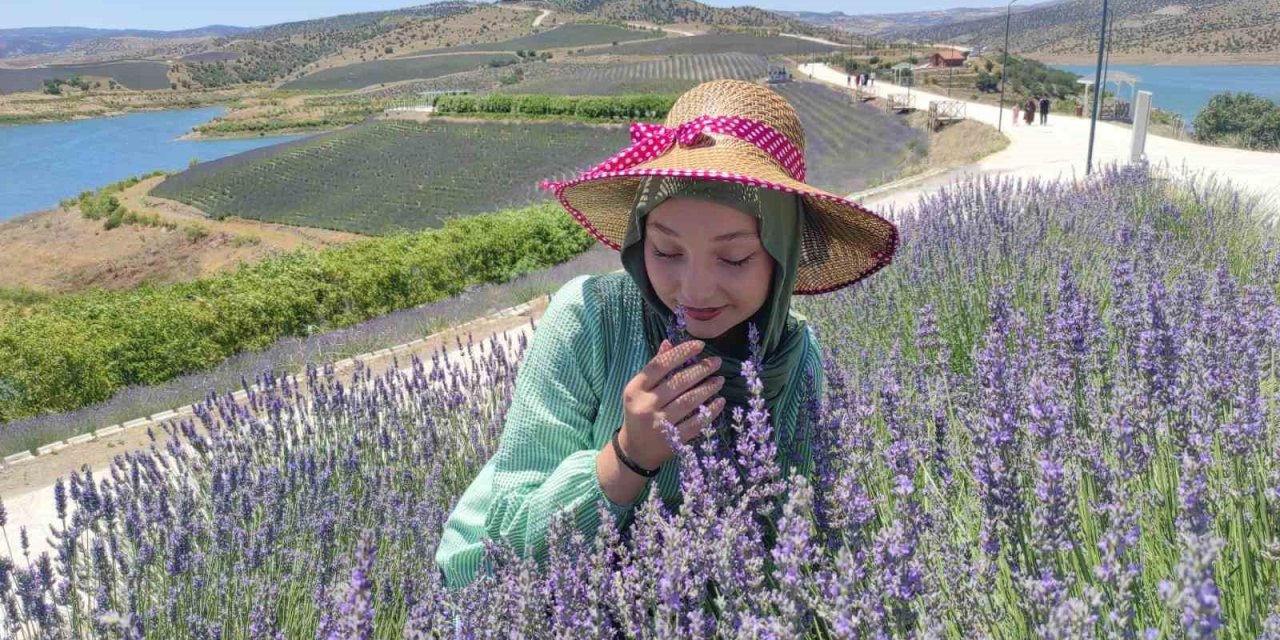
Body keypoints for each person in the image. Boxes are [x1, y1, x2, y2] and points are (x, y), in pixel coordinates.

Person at [433, 79, 899, 601]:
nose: (694, 290)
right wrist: (629, 455)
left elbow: (791, 538)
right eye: (667, 251)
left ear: (781, 254)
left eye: (735, 258)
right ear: (640, 238)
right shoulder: (589, 319)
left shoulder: (794, 357)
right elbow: (508, 545)